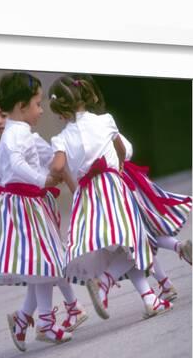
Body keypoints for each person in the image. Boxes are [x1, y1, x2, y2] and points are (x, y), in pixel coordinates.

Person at [0, 73, 86, 351]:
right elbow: (15, 164)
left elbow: (48, 156)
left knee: (43, 266)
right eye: (38, 103)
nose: (41, 109)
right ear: (22, 105)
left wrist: (64, 173)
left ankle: (28, 319)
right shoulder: (15, 135)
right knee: (45, 265)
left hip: (31, 206)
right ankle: (47, 323)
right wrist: (43, 180)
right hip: (22, 208)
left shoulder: (22, 133)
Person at [48, 75, 172, 320]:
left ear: (60, 108)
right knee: (134, 242)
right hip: (113, 188)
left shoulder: (60, 138)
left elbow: (59, 166)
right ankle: (105, 282)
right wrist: (120, 166)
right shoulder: (106, 120)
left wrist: (54, 166)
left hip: (88, 197)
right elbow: (123, 150)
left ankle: (150, 299)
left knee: (121, 249)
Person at [71, 73, 193, 303]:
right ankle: (168, 276)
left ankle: (170, 261)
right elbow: (128, 150)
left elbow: (117, 153)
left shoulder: (93, 127)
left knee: (136, 238)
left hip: (117, 186)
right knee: (140, 235)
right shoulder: (104, 122)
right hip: (127, 181)